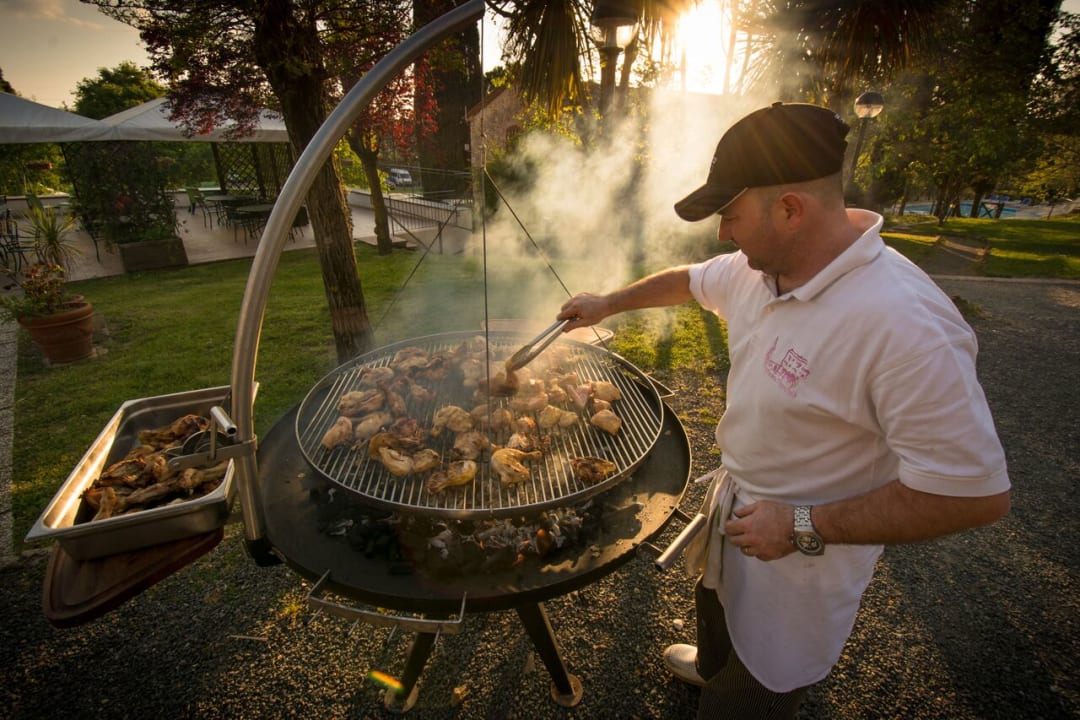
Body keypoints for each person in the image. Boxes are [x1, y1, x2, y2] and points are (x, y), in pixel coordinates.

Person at [557, 102, 1011, 719]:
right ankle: (713, 666)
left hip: (801, 558)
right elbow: (690, 279)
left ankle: (735, 694)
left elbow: (974, 495)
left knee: (755, 692)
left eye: (732, 215)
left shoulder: (906, 327)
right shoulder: (758, 268)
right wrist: (608, 302)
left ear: (791, 209)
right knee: (715, 605)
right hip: (738, 506)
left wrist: (803, 524)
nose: (723, 234)